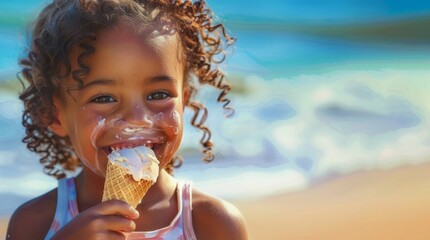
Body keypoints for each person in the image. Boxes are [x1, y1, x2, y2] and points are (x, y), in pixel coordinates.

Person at [6, 0, 248, 239]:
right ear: (55, 115)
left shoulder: (212, 224)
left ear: (183, 101)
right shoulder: (35, 223)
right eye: (103, 98)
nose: (138, 119)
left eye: (159, 94)